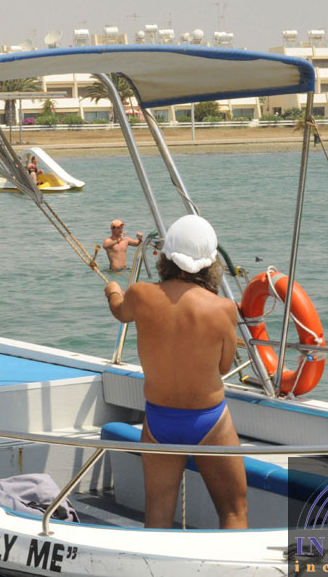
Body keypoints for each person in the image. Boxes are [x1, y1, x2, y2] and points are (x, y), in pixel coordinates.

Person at [103, 215, 246, 530]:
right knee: (233, 512)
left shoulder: (139, 293)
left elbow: (120, 312)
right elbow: (224, 367)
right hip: (209, 420)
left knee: (157, 512)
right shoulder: (223, 308)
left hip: (159, 418)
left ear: (166, 256)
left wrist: (113, 290)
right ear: (210, 263)